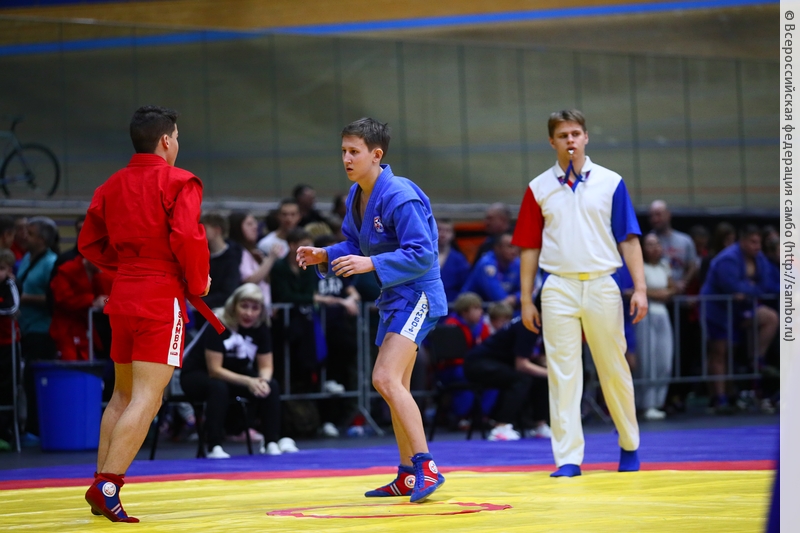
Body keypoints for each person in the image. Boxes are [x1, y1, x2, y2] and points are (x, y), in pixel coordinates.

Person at [78, 105, 222, 523]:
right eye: (176, 137)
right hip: (160, 297)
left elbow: (89, 243)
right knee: (148, 396)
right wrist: (198, 282)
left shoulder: (111, 185)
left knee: (122, 395)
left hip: (123, 292)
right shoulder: (180, 181)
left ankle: (99, 482)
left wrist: (128, 265)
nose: (177, 144)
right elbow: (188, 237)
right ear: (166, 140)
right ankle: (108, 485)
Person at [297, 117, 446, 503]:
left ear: (376, 154)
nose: (346, 159)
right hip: (396, 297)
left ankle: (427, 466)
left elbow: (423, 253)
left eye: (354, 152)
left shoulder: (399, 194)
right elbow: (354, 244)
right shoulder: (357, 195)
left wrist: (372, 264)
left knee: (385, 378)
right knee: (396, 386)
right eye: (343, 151)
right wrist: (325, 254)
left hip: (419, 295)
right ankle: (407, 474)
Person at [512, 109, 648, 478]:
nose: (570, 140)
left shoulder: (611, 182)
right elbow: (528, 247)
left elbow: (629, 238)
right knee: (562, 373)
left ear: (586, 137)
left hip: (603, 282)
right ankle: (568, 458)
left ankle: (629, 444)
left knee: (614, 366)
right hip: (558, 285)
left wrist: (640, 288)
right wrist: (526, 300)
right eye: (563, 135)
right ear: (552, 142)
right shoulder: (538, 187)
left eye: (575, 133)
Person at [181, 283, 296, 458]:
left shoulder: (261, 328)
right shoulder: (218, 323)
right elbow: (215, 370)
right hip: (198, 374)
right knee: (218, 387)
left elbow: (266, 366)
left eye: (255, 308)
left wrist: (262, 382)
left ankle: (271, 441)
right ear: (234, 305)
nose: (249, 313)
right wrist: (249, 381)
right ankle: (214, 446)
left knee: (271, 386)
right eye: (244, 306)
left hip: (234, 374)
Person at [700, 225, 779, 413]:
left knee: (769, 317)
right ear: (742, 241)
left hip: (740, 308)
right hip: (717, 309)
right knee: (720, 351)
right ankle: (720, 398)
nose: (757, 246)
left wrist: (748, 289)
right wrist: (750, 287)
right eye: (753, 242)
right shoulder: (728, 258)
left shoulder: (759, 258)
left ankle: (757, 358)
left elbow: (765, 284)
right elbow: (731, 286)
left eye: (759, 242)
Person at [463, 316, 551, 441]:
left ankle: (540, 426)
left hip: (501, 363)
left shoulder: (541, 326)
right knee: (522, 380)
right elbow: (522, 365)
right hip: (478, 364)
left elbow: (535, 356)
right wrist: (551, 374)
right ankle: (501, 427)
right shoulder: (528, 325)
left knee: (540, 378)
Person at [17, 216, 59, 437]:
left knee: (34, 381)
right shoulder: (26, 259)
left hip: (42, 330)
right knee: (25, 381)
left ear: (42, 239)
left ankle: (37, 429)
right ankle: (29, 427)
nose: (24, 236)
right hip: (24, 329)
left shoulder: (51, 263)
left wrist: (24, 299)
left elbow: (53, 299)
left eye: (30, 233)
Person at [636, 234, 674, 421]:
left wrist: (666, 292)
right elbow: (636, 290)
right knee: (647, 361)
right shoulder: (639, 267)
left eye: (657, 244)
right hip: (645, 315)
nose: (654, 248)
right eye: (650, 244)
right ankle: (647, 404)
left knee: (664, 360)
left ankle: (659, 402)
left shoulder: (664, 266)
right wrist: (657, 294)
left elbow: (673, 288)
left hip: (663, 315)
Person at [228, 211, 280, 311]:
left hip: (262, 311)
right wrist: (271, 258)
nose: (255, 227)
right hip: (249, 312)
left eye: (255, 223)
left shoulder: (253, 252)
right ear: (237, 228)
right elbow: (249, 280)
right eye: (249, 224)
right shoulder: (237, 252)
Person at [461, 231, 521, 309]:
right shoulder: (486, 264)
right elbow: (498, 298)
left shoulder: (517, 263)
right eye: (510, 246)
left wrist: (515, 298)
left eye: (516, 246)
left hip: (501, 310)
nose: (514, 251)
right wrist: (516, 299)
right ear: (497, 248)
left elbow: (530, 291)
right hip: (472, 310)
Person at [648, 200, 697, 294]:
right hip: (656, 294)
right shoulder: (647, 241)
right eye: (651, 216)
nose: (654, 219)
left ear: (668, 215)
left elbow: (692, 266)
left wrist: (683, 283)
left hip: (681, 293)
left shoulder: (685, 240)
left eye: (658, 214)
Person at [200, 213, 244, 311]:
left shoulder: (233, 256)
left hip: (223, 310)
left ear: (217, 230)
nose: (199, 233)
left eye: (204, 229)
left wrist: (200, 301)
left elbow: (228, 291)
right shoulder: (202, 255)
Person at [0, 249, 20, 450]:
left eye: (2, 269)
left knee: (8, 388)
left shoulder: (10, 285)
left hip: (8, 344)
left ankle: (6, 431)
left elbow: (12, 308)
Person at [437, 218, 470, 303]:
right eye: (439, 229)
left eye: (447, 231)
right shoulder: (424, 256)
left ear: (452, 235)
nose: (443, 234)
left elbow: (465, 285)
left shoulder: (459, 259)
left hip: (451, 304)